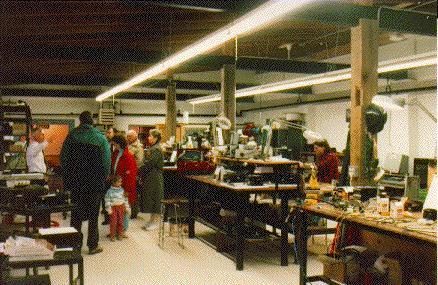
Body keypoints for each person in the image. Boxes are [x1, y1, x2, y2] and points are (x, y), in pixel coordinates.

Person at [60, 111, 111, 255]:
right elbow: (106, 161)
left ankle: (75, 246)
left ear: (80, 121)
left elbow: (63, 159)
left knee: (76, 214)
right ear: (92, 121)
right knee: (94, 215)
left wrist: (69, 175)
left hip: (76, 182)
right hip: (94, 183)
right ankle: (93, 246)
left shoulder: (71, 136)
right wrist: (104, 176)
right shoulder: (101, 138)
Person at [139, 129, 164, 231]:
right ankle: (151, 220)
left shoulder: (156, 149)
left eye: (150, 136)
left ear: (156, 138)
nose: (148, 137)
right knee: (151, 198)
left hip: (154, 176)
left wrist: (139, 170)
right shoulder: (153, 148)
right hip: (151, 176)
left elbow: (149, 163)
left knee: (155, 198)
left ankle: (155, 221)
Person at [110, 134, 138, 228]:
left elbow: (131, 176)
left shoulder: (128, 156)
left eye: (115, 144)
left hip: (124, 186)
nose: (114, 146)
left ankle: (123, 229)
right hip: (116, 185)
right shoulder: (116, 153)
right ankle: (117, 228)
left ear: (119, 143)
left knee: (124, 209)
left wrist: (127, 190)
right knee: (115, 208)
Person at [105, 175, 130, 241]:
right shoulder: (109, 191)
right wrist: (109, 209)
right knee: (113, 222)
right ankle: (112, 235)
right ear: (114, 182)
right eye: (119, 182)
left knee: (120, 221)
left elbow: (125, 199)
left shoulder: (122, 190)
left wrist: (127, 208)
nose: (120, 183)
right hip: (113, 208)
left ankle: (120, 234)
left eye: (121, 182)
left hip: (121, 207)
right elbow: (107, 200)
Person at [127, 129, 144, 219]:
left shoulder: (138, 146)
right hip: (129, 172)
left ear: (135, 136)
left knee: (134, 193)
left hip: (135, 172)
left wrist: (135, 172)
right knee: (130, 192)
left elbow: (140, 162)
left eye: (130, 136)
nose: (128, 138)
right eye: (127, 136)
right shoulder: (129, 145)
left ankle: (134, 213)